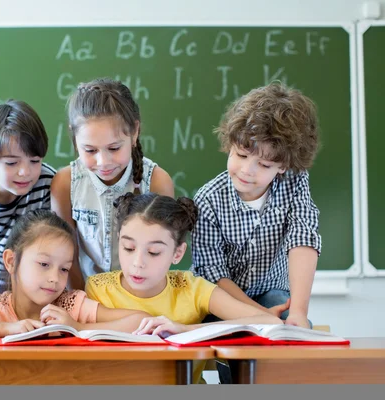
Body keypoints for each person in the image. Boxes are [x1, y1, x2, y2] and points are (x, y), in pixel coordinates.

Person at [86, 193, 281, 384]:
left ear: (177, 253)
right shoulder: (98, 289)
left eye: (154, 252)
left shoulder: (192, 288)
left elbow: (271, 322)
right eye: (128, 248)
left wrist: (187, 330)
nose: (138, 263)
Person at [191, 82, 321, 329]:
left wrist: (298, 313)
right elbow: (213, 275)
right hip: (222, 298)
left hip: (272, 291)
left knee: (288, 322)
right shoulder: (208, 200)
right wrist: (261, 314)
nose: (247, 171)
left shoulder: (294, 183)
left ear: (283, 166)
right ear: (230, 145)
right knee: (227, 327)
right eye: (241, 155)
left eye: (263, 165)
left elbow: (303, 237)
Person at [0, 209, 149, 341]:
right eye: (43, 264)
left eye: (64, 269)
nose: (55, 278)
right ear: (11, 261)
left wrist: (76, 327)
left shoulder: (70, 306)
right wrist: (8, 329)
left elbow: (140, 320)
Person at [51, 78, 173, 290]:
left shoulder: (156, 182)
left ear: (134, 132)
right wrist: (83, 301)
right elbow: (65, 254)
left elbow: (160, 257)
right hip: (85, 295)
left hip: (141, 294)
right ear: (74, 137)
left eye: (114, 148)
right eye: (90, 150)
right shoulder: (64, 184)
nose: (103, 162)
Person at [0, 100, 55, 294]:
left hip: (32, 279)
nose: (25, 172)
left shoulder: (48, 182)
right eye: (11, 163)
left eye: (35, 161)